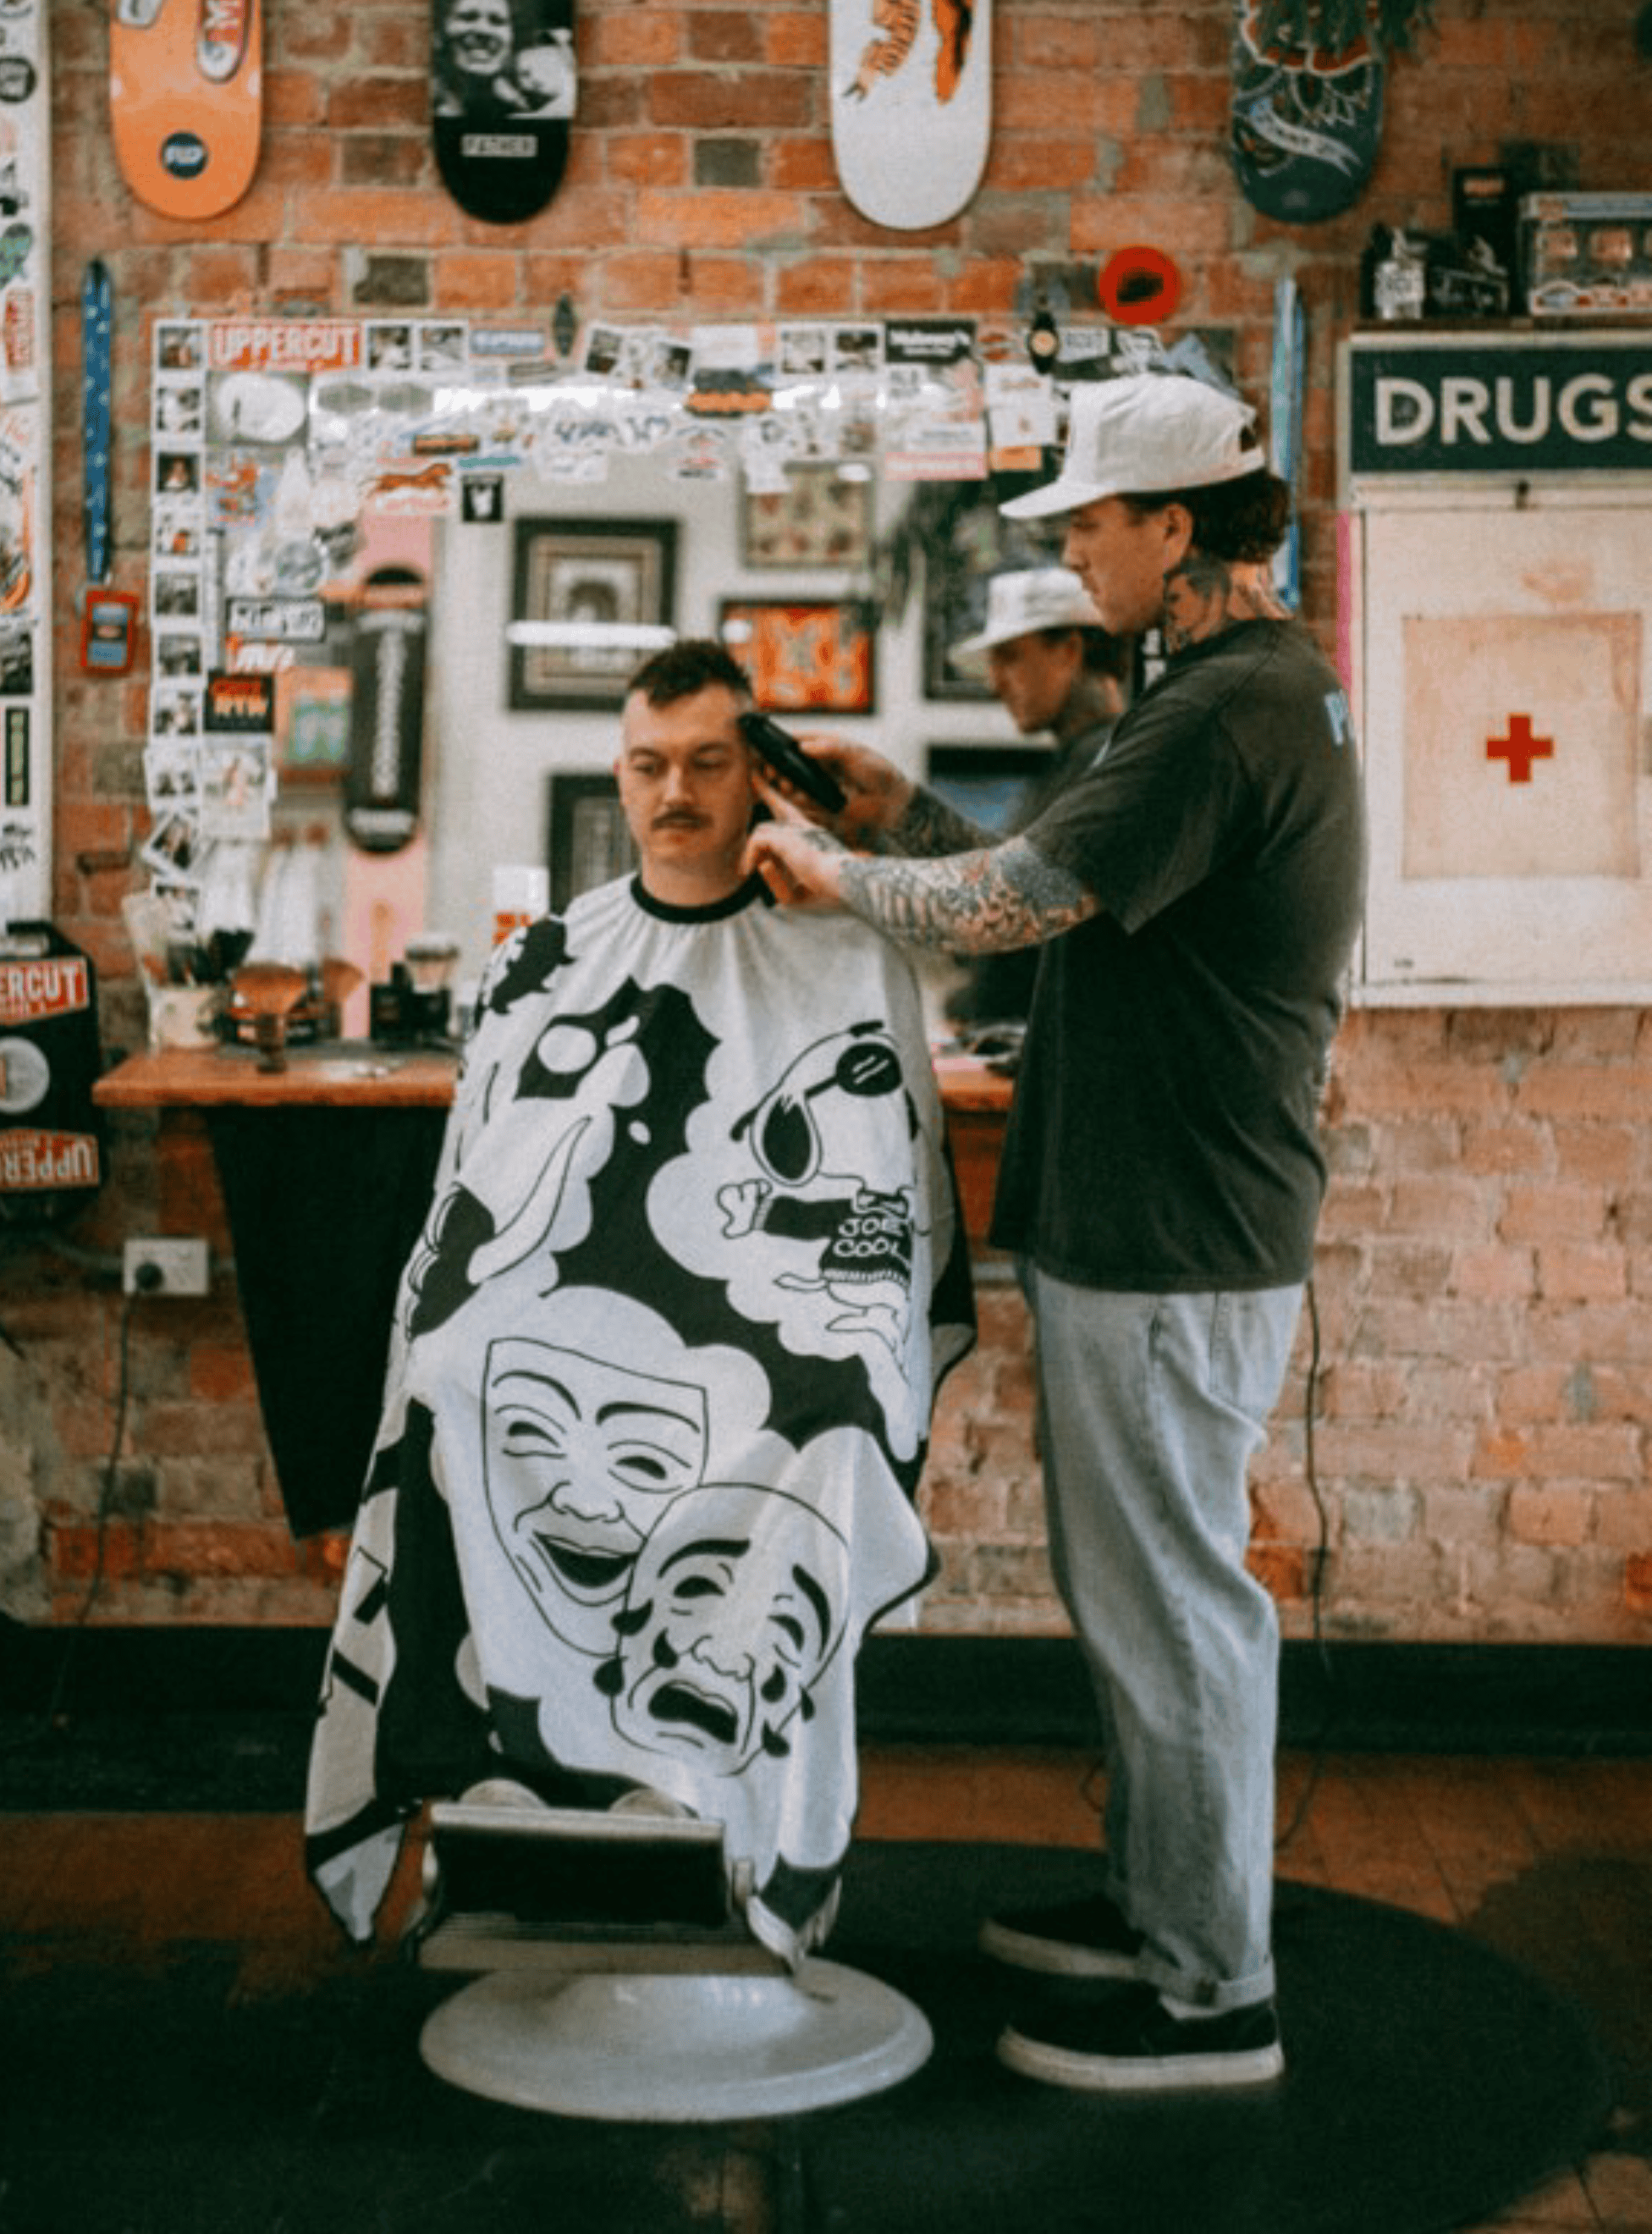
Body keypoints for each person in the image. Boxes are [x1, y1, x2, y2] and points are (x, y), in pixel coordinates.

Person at [745, 373, 1366, 2091]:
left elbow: (1019, 904)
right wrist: (897, 824)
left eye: (1090, 523)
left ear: (1177, 529)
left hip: (1175, 1229)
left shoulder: (1217, 710)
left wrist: (840, 880)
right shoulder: (1236, 693)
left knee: (1172, 1608)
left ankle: (1208, 1998)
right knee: (1145, 1598)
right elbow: (1076, 904)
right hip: (1168, 1215)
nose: (1074, 552)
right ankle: (1167, 1904)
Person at [306, 639, 973, 1969]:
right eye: (650, 764)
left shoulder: (843, 959)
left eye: (711, 764)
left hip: (772, 1360)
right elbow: (473, 1214)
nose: (677, 790)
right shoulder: (546, 961)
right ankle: (524, 1805)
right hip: (580, 1352)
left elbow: (880, 1236)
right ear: (619, 773)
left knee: (814, 1431)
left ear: (761, 779)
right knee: (455, 1380)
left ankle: (728, 1819)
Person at [939, 564, 1129, 1034]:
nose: (996, 682)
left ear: (1068, 651)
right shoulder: (1076, 764)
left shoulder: (1104, 770)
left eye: (1009, 657)